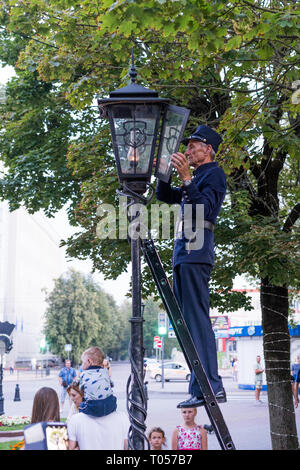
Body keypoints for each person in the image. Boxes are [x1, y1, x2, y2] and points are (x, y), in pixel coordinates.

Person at [156, 124, 227, 408]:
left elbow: (206, 210)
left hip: (196, 253)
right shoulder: (197, 177)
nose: (187, 151)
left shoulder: (214, 174)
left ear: (208, 148)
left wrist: (186, 178)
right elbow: (164, 196)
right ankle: (200, 387)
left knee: (197, 320)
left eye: (193, 146)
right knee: (187, 325)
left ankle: (211, 386)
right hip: (185, 253)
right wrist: (164, 171)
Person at [79, 346, 117, 417]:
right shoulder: (105, 371)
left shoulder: (83, 374)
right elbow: (111, 384)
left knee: (81, 406)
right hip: (109, 406)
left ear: (89, 361)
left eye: (82, 362)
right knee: (113, 398)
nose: (82, 364)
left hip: (93, 407)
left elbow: (81, 389)